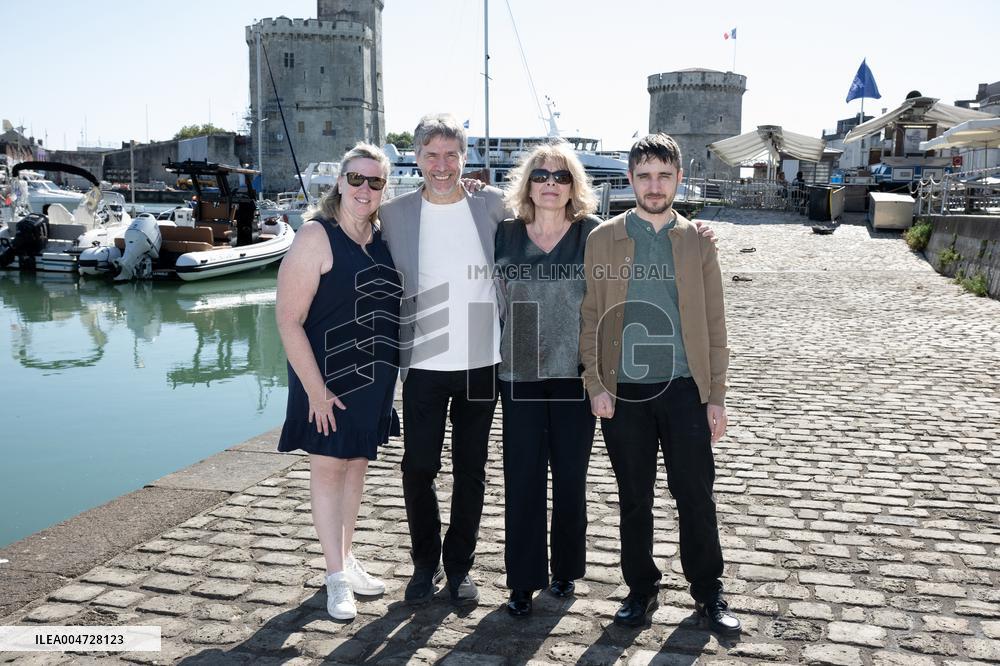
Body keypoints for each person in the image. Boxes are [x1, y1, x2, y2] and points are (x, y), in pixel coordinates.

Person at [579, 133, 740, 636]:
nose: (654, 186)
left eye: (663, 176)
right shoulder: (602, 238)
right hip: (624, 391)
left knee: (695, 494)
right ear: (630, 179)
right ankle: (640, 587)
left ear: (678, 179)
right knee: (634, 498)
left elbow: (714, 321)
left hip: (684, 387)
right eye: (644, 176)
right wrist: (595, 384)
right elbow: (589, 318)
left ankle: (708, 590)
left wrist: (716, 394)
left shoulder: (697, 240)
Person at [380, 113, 507, 607]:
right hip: (425, 364)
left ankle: (459, 566)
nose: (441, 164)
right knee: (418, 468)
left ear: (464, 157)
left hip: (482, 362)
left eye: (451, 154)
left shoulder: (492, 205)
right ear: (416, 157)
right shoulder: (394, 214)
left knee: (470, 471)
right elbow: (344, 226)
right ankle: (424, 563)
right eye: (431, 154)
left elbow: (557, 215)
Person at [275, 143, 401, 621]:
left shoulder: (383, 238)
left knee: (355, 468)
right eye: (356, 179)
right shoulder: (315, 236)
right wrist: (315, 390)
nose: (364, 189)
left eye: (375, 182)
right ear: (340, 182)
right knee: (329, 470)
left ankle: (347, 559)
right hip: (326, 376)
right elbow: (288, 319)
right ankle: (334, 579)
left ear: (383, 188)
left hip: (372, 377)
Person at [494, 142, 600, 617]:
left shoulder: (593, 235)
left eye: (560, 176)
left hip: (575, 375)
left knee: (571, 478)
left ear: (573, 185)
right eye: (541, 175)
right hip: (518, 373)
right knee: (522, 478)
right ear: (528, 183)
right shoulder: (505, 234)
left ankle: (565, 570)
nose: (550, 183)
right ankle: (522, 579)